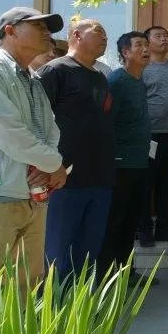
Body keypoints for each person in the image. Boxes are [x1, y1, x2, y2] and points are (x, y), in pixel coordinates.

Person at [0, 7, 67, 289]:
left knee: (27, 283)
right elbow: (7, 131)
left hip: (32, 193)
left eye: (48, 28)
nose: (47, 33)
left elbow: (49, 129)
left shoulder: (30, 77)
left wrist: (46, 165)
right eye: (38, 26)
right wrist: (52, 165)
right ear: (10, 30)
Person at [37, 19, 115, 281]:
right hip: (63, 180)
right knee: (58, 253)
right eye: (99, 32)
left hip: (100, 178)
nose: (105, 37)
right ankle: (53, 314)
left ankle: (82, 313)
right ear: (77, 36)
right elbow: (37, 122)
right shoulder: (55, 71)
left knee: (88, 253)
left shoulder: (100, 77)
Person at [98, 32, 152, 275]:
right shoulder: (116, 82)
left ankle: (127, 272)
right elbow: (106, 123)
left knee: (132, 220)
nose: (145, 49)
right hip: (120, 164)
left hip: (140, 161)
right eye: (139, 45)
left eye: (146, 45)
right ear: (125, 52)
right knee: (115, 221)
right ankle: (109, 277)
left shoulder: (139, 82)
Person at [141, 26, 168, 245]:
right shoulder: (142, 67)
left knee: (167, 182)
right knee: (146, 181)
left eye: (166, 35)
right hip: (149, 135)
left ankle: (164, 227)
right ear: (147, 42)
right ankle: (144, 229)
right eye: (158, 36)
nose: (164, 38)